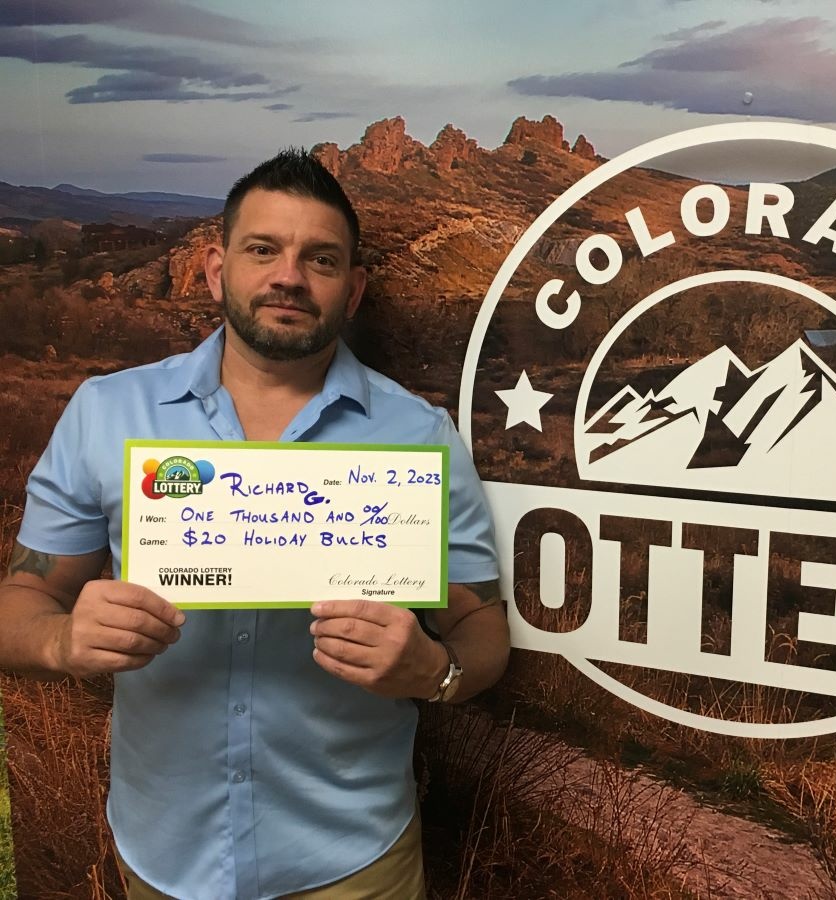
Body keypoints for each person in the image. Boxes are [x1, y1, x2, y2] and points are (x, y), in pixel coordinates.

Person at [0, 149, 508, 899]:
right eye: (263, 249)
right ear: (215, 269)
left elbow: (481, 627)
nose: (289, 277)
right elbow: (19, 604)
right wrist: (62, 639)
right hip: (162, 855)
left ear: (354, 289)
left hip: (355, 862)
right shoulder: (107, 414)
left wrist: (436, 672)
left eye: (322, 259)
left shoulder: (419, 438)